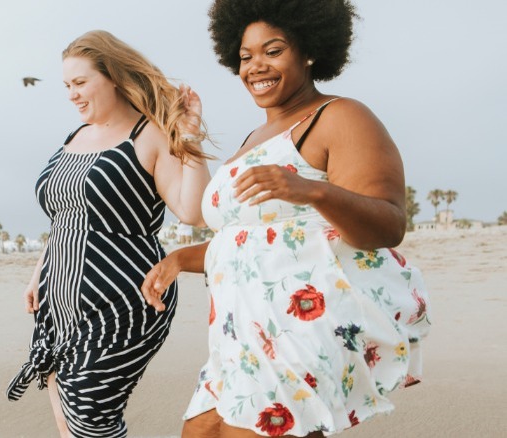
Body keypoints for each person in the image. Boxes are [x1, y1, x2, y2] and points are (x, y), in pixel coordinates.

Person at [141, 1, 432, 436]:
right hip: (236, 334)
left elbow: (388, 225)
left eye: (272, 51)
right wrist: (181, 259)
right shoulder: (252, 139)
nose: (255, 66)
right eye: (245, 56)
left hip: (297, 329)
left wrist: (314, 190)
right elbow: (252, 240)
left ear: (309, 51)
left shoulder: (341, 117)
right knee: (199, 431)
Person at [6, 30, 212, 437]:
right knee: (68, 417)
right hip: (58, 300)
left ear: (114, 77)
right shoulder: (74, 137)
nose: (72, 95)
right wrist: (38, 275)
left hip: (123, 299)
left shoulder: (148, 135)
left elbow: (191, 210)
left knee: (90, 418)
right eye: (67, 85)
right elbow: (65, 217)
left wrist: (189, 137)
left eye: (80, 83)